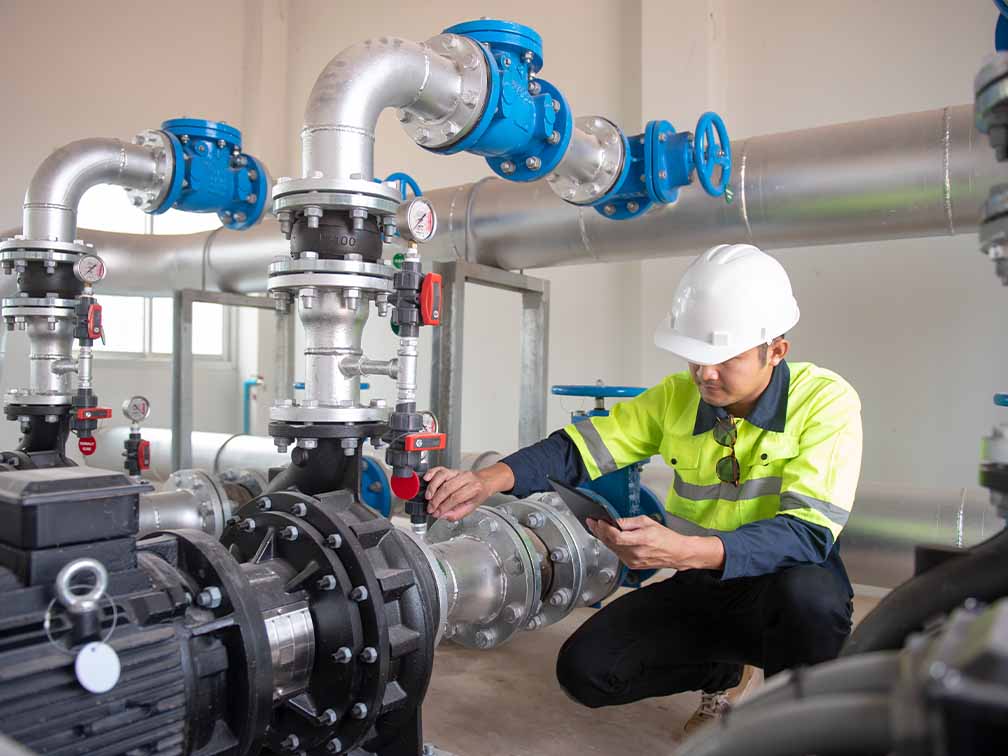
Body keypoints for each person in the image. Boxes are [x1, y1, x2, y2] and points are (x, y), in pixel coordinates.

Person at [422, 244, 862, 732]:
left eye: (723, 358)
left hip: (786, 581)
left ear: (775, 350)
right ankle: (723, 672)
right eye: (695, 357)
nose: (705, 374)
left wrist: (683, 551)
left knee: (812, 606)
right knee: (586, 672)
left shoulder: (825, 401)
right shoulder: (677, 396)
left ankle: (793, 722)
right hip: (705, 584)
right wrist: (489, 479)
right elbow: (576, 449)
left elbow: (806, 533)